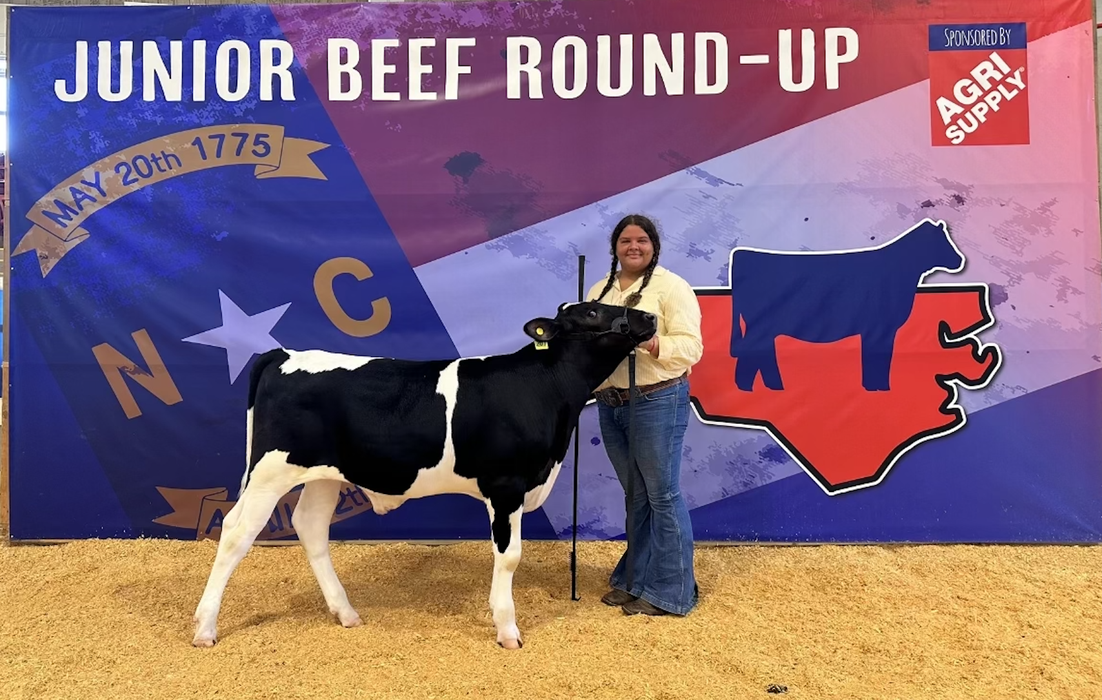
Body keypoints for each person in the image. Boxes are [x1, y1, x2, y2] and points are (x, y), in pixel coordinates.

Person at [587, 213, 704, 616]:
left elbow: (691, 347)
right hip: (611, 402)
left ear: (654, 246)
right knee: (635, 495)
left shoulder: (672, 287)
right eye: (625, 241)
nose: (633, 247)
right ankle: (636, 579)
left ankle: (672, 591)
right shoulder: (599, 288)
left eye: (642, 241)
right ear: (615, 247)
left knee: (662, 495)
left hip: (657, 399)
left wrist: (652, 344)